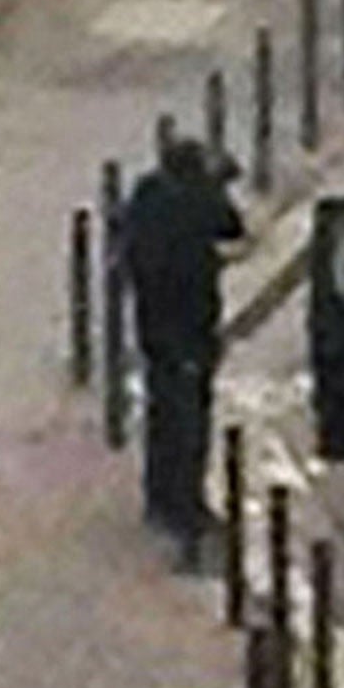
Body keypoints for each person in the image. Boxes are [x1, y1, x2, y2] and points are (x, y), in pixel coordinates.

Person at [120, 137, 246, 562]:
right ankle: (185, 507)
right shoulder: (195, 204)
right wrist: (218, 184)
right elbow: (233, 226)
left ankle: (159, 497)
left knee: (163, 410)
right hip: (190, 326)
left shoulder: (147, 195)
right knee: (190, 419)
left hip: (153, 324)